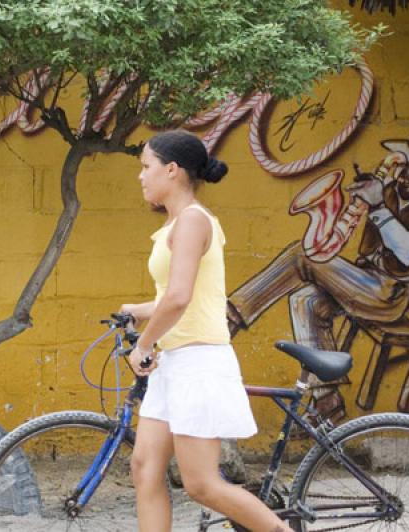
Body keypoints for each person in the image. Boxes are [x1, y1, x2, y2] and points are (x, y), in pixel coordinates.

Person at [121, 130, 291, 532]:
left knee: (201, 484)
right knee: (144, 469)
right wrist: (137, 311)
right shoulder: (175, 224)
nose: (141, 177)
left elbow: (178, 298)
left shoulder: (194, 221)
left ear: (173, 170)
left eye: (146, 167)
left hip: (198, 363)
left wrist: (142, 345)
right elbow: (180, 297)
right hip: (173, 363)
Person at [227, 127, 409, 418]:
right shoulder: (392, 191)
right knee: (305, 301)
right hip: (364, 282)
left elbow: (408, 253)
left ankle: (231, 317)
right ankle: (328, 402)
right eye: (406, 164)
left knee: (302, 255)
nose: (406, 173)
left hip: (388, 296)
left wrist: (378, 205)